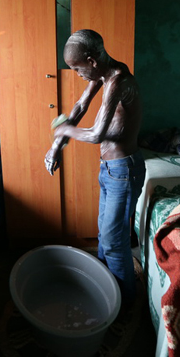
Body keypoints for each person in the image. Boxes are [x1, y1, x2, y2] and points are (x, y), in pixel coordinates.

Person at [45, 29, 145, 306]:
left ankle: (125, 305)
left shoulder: (118, 80)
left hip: (124, 170)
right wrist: (55, 147)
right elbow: (80, 106)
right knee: (105, 234)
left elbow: (97, 134)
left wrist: (64, 130)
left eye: (78, 69)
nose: (77, 74)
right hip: (110, 169)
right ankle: (107, 293)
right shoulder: (102, 74)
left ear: (91, 61)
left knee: (113, 240)